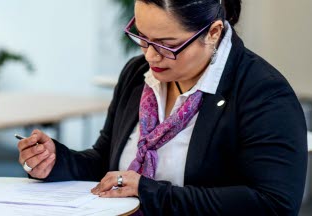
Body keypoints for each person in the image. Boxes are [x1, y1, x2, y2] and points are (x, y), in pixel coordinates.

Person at [17, 0, 308, 215]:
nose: (151, 55)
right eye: (141, 36)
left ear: (214, 32)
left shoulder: (262, 92)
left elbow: (274, 204)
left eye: (167, 44)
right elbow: (106, 161)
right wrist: (56, 161)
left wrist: (149, 192)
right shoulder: (137, 74)